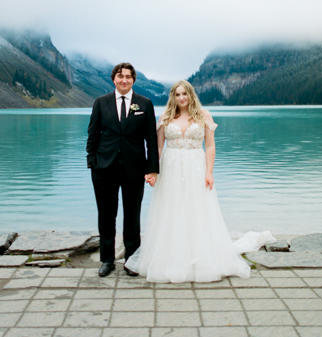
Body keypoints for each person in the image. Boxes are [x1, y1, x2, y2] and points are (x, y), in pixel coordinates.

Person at [125, 80, 275, 283]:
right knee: (171, 209)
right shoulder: (165, 117)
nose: (181, 98)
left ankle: (200, 255)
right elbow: (158, 148)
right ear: (173, 97)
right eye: (177, 95)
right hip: (171, 168)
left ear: (191, 94)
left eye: (184, 94)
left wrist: (209, 172)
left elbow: (210, 146)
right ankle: (171, 256)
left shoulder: (203, 116)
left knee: (197, 209)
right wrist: (153, 172)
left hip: (196, 166)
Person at [86, 62, 160, 277]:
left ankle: (131, 260)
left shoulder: (144, 104)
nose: (124, 80)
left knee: (132, 215)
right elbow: (93, 135)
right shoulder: (101, 102)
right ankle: (107, 260)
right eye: (120, 76)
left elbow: (151, 140)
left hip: (135, 169)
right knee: (106, 215)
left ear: (133, 80)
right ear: (113, 80)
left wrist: (152, 168)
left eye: (128, 76)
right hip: (103, 168)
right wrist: (92, 161)